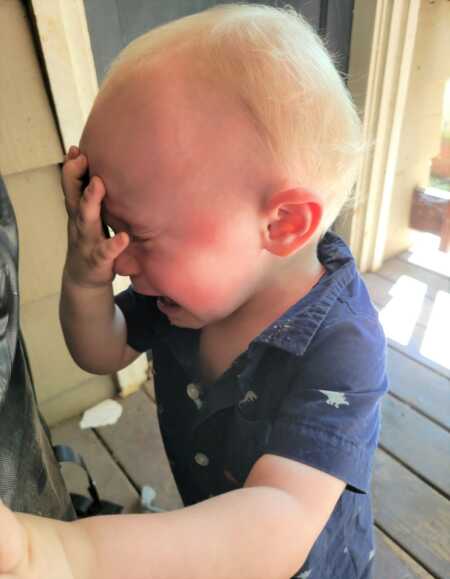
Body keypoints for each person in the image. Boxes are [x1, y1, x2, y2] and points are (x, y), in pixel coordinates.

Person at [0, 4, 388, 578]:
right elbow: (101, 350)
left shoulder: (343, 348)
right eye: (113, 232)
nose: (124, 262)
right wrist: (87, 277)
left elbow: (275, 521)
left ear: (281, 225)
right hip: (205, 540)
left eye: (142, 235)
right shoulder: (187, 296)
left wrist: (66, 553)